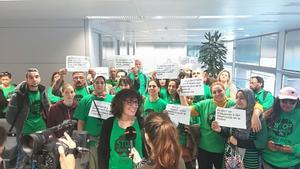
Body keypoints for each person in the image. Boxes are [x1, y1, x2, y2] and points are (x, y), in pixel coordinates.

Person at [211, 89, 267, 169]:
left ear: (249, 99)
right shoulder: (232, 112)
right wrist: (219, 130)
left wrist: (238, 142)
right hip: (232, 156)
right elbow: (228, 135)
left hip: (250, 160)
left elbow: (261, 143)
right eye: (237, 98)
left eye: (242, 98)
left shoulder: (258, 118)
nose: (238, 100)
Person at [6, 68, 50, 169]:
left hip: (41, 130)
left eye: (36, 77)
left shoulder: (42, 91)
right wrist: (19, 126)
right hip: (25, 131)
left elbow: (48, 108)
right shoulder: (19, 94)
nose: (34, 79)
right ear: (26, 79)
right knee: (22, 159)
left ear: (40, 78)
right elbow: (9, 116)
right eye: (31, 77)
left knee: (40, 159)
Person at [98, 89, 147, 169]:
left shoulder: (142, 123)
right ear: (120, 104)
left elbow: (148, 153)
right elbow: (102, 152)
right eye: (129, 102)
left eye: (135, 102)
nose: (134, 105)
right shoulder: (109, 123)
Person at [73, 75, 113, 169]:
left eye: (102, 83)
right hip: (92, 140)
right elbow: (81, 122)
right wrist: (81, 140)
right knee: (93, 164)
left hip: (107, 139)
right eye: (97, 82)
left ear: (105, 85)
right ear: (93, 84)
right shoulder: (85, 100)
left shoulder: (112, 100)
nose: (99, 85)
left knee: (106, 163)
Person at [262, 87, 300, 169]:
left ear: (297, 102)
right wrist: (266, 143)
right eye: (284, 101)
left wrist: (294, 149)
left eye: (292, 102)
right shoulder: (269, 113)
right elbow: (261, 135)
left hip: (291, 163)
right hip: (268, 160)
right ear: (279, 100)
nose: (288, 104)